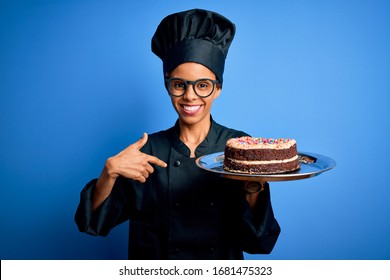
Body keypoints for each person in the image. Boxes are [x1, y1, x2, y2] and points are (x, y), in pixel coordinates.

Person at [75, 8, 280, 260]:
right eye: (179, 85)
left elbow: (260, 242)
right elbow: (94, 224)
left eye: (202, 85)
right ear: (168, 87)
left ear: (217, 89)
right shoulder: (146, 151)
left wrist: (254, 187)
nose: (190, 96)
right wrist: (108, 173)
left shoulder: (237, 146)